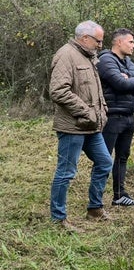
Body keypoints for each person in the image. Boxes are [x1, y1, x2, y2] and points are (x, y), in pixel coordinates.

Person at [49, 20, 113, 232]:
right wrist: (87, 112)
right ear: (85, 38)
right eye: (98, 41)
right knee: (66, 172)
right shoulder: (66, 55)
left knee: (104, 163)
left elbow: (94, 90)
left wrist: (102, 110)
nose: (100, 45)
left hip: (91, 127)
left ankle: (94, 209)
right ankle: (58, 219)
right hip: (72, 127)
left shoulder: (88, 56)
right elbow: (58, 91)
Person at [97, 28, 134, 207]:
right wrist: (133, 79)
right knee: (104, 158)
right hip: (112, 117)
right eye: (131, 42)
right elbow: (121, 83)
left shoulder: (129, 62)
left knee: (122, 157)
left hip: (129, 116)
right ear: (119, 42)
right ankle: (96, 200)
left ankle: (119, 195)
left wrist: (131, 79)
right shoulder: (106, 59)